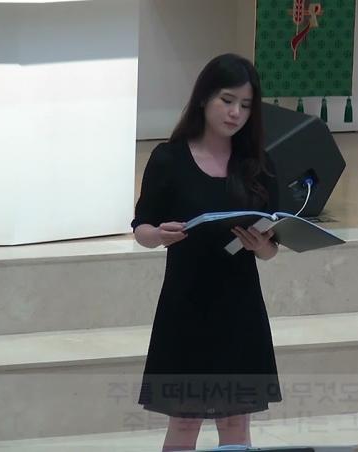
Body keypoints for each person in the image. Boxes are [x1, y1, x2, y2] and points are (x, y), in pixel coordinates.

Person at [131, 53, 282, 451]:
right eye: (227, 100)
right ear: (204, 98)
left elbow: (271, 250)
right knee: (184, 424)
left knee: (236, 424)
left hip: (240, 307)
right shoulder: (169, 159)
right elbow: (141, 227)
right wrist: (157, 235)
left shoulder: (258, 164)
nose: (235, 113)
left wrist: (262, 245)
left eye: (245, 105)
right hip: (186, 306)